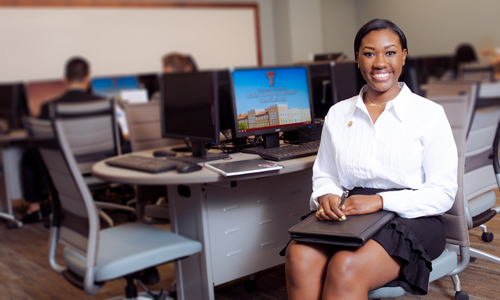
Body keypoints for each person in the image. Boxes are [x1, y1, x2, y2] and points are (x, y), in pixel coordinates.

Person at [284, 19, 457, 300]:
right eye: (369, 53)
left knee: (346, 265)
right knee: (299, 255)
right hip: (351, 211)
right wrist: (325, 195)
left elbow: (443, 193)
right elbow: (326, 174)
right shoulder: (339, 114)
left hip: (412, 215)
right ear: (357, 59)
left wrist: (380, 201)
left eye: (389, 52)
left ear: (404, 56)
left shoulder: (429, 114)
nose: (379, 62)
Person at [21, 56, 103, 223]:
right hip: (98, 165)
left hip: (65, 169)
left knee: (29, 156)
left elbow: (41, 144)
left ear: (64, 80)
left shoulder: (48, 107)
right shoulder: (103, 103)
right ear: (88, 78)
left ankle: (34, 208)